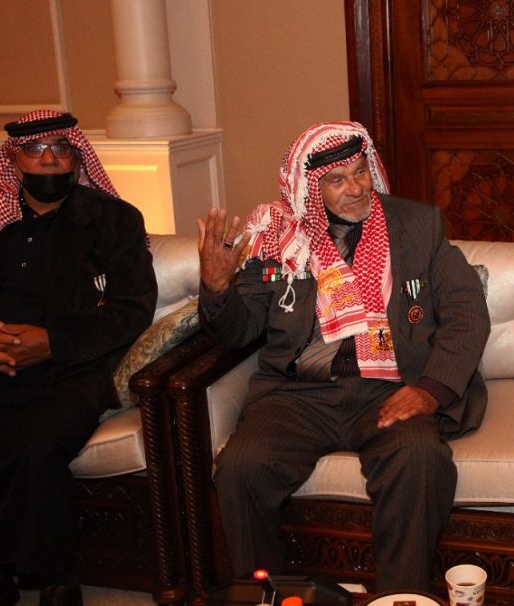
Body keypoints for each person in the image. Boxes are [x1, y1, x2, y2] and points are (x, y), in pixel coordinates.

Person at [198, 121, 489, 591]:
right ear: (311, 189)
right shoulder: (276, 239)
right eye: (337, 180)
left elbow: (467, 312)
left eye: (360, 172)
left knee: (419, 456)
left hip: (387, 389)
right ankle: (266, 596)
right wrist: (216, 289)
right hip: (298, 395)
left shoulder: (416, 226)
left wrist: (431, 390)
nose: (356, 188)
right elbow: (238, 332)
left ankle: (400, 598)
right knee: (241, 467)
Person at [0, 110, 157, 606]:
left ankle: (54, 576)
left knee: (38, 441)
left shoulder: (114, 220)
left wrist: (51, 342)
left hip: (68, 371)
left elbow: (130, 310)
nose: (49, 160)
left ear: (76, 158)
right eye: (34, 150)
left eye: (60, 149)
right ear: (14, 160)